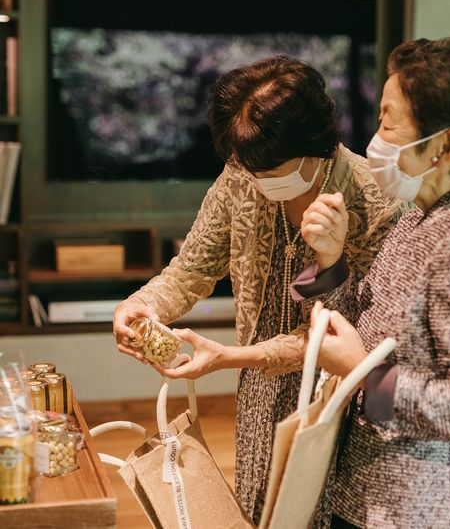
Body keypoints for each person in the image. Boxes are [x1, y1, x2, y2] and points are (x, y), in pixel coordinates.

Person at [112, 56, 400, 525]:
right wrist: (142, 304)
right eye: (248, 166)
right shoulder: (243, 174)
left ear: (315, 144)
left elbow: (347, 338)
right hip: (259, 394)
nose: (256, 179)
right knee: (258, 510)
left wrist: (231, 357)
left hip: (339, 405)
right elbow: (192, 268)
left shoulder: (375, 202)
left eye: (271, 169)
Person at [292, 38, 450, 528]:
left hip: (416, 507)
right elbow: (368, 326)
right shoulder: (421, 214)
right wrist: (330, 258)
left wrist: (363, 374)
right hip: (364, 489)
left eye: (389, 122)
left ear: (445, 147)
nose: (376, 138)